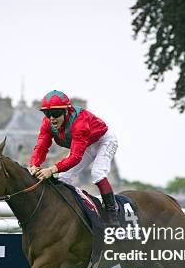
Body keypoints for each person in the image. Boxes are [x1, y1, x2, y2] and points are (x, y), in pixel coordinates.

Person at [29, 89, 119, 221]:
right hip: (87, 144)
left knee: (98, 173)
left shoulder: (79, 123)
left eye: (56, 113)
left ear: (66, 111)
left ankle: (112, 214)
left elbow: (75, 157)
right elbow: (41, 146)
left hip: (104, 140)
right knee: (63, 178)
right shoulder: (47, 123)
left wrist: (51, 169)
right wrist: (34, 164)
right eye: (48, 114)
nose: (52, 118)